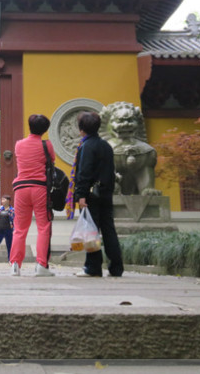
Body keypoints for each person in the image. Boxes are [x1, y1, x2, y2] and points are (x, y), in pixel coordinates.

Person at [73, 111, 123, 278]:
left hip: (90, 196)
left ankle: (93, 267)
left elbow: (84, 173)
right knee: (109, 230)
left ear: (82, 130)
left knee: (90, 232)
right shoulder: (106, 146)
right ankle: (116, 268)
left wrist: (80, 195)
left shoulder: (86, 146)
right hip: (106, 193)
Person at [10, 114, 56, 277]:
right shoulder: (47, 145)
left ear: (29, 126)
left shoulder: (19, 145)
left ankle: (15, 265)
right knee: (43, 227)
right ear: (45, 130)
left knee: (20, 228)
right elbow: (52, 162)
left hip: (21, 188)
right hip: (40, 188)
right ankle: (41, 265)